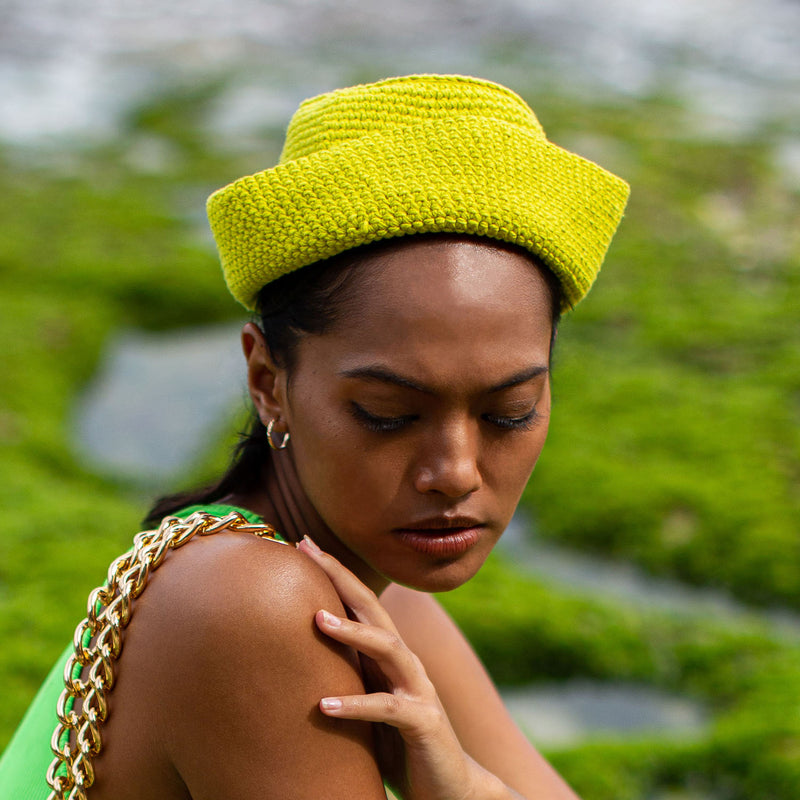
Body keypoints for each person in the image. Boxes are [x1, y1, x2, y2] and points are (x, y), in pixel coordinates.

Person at [0, 73, 629, 799]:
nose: (455, 471)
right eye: (389, 413)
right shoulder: (255, 608)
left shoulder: (382, 607)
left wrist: (464, 784)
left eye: (508, 412)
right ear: (269, 381)